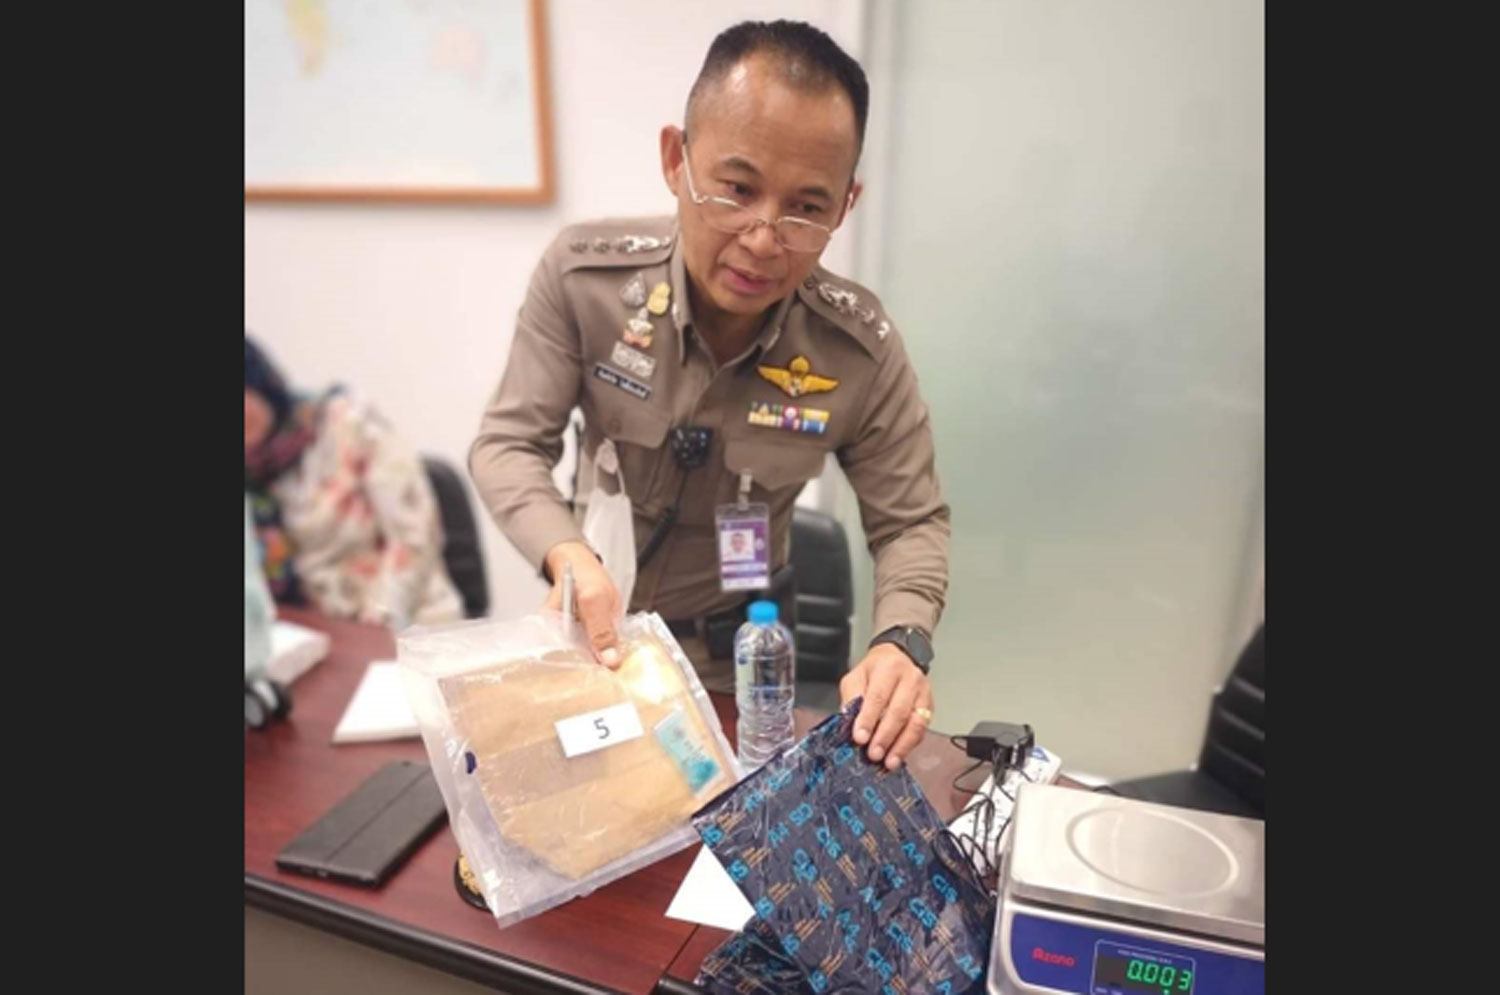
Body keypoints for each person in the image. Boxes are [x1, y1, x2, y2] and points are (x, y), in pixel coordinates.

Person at [470, 21, 947, 770]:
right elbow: (506, 446)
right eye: (737, 189)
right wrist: (565, 553)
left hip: (743, 676)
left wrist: (902, 640)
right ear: (676, 159)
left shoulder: (858, 349)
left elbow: (912, 521)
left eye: (805, 208)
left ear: (844, 207)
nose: (763, 239)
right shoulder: (586, 283)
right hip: (597, 645)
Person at [245, 335, 463, 629]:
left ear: (260, 384)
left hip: (408, 624)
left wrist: (381, 624)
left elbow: (413, 541)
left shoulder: (348, 423)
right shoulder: (253, 472)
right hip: (312, 633)